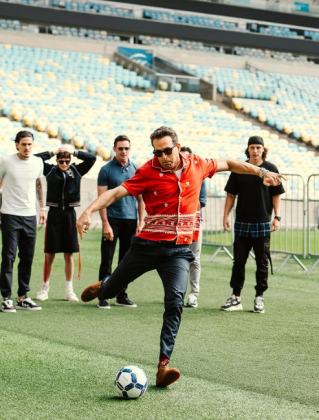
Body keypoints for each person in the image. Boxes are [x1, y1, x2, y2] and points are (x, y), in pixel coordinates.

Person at [76, 127, 285, 388]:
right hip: (146, 247)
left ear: (177, 146)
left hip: (177, 252)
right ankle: (103, 287)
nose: (163, 156)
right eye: (157, 152)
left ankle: (163, 366)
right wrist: (88, 211)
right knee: (112, 290)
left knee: (175, 301)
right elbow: (116, 192)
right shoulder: (148, 171)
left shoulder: (197, 163)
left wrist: (262, 172)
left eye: (167, 150)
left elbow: (230, 163)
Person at [221, 135, 285, 314]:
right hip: (241, 221)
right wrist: (225, 216)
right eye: (252, 147)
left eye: (258, 147)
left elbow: (276, 195)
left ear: (263, 149)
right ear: (247, 149)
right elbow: (231, 195)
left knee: (262, 262)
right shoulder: (240, 168)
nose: (255, 150)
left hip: (263, 222)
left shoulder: (271, 168)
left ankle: (259, 297)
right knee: (238, 261)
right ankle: (236, 298)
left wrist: (277, 217)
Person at [35, 147, 96, 302]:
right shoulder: (50, 170)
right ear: (57, 161)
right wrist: (53, 152)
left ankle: (69, 290)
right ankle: (44, 288)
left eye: (67, 161)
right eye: (61, 161)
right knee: (50, 254)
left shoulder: (77, 170)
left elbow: (92, 158)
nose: (64, 164)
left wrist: (74, 152)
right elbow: (36, 159)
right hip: (54, 213)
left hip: (70, 214)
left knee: (69, 254)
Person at [0, 130, 46, 313]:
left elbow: (38, 184)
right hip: (10, 215)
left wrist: (42, 208)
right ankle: (6, 298)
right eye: (24, 144)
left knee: (27, 257)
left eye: (30, 144)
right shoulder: (6, 161)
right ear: (16, 144)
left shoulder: (38, 162)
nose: (27, 147)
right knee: (9, 257)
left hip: (30, 216)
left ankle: (22, 297)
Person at [97, 135, 144, 309]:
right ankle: (102, 294)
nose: (124, 151)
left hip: (131, 221)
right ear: (114, 149)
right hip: (112, 220)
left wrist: (141, 222)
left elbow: (141, 200)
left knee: (126, 262)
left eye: (126, 148)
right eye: (120, 148)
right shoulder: (105, 170)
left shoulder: (137, 170)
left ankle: (121, 295)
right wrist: (105, 224)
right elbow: (102, 199)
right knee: (107, 259)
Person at [180, 146, 207, 309]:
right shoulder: (173, 177)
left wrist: (185, 202)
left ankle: (193, 295)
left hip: (194, 223)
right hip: (176, 224)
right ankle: (177, 292)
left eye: (187, 157)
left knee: (194, 259)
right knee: (176, 259)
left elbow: (202, 200)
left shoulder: (199, 176)